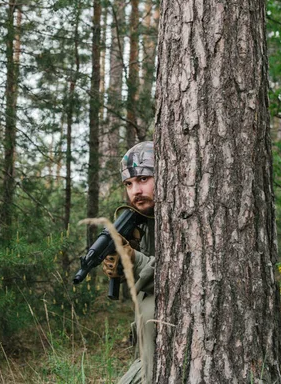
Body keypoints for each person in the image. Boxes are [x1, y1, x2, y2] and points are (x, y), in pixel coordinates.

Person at [102, 141, 156, 384]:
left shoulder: (181, 217)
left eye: (144, 179)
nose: (135, 190)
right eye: (129, 184)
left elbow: (180, 273)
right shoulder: (143, 223)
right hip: (147, 356)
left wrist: (133, 259)